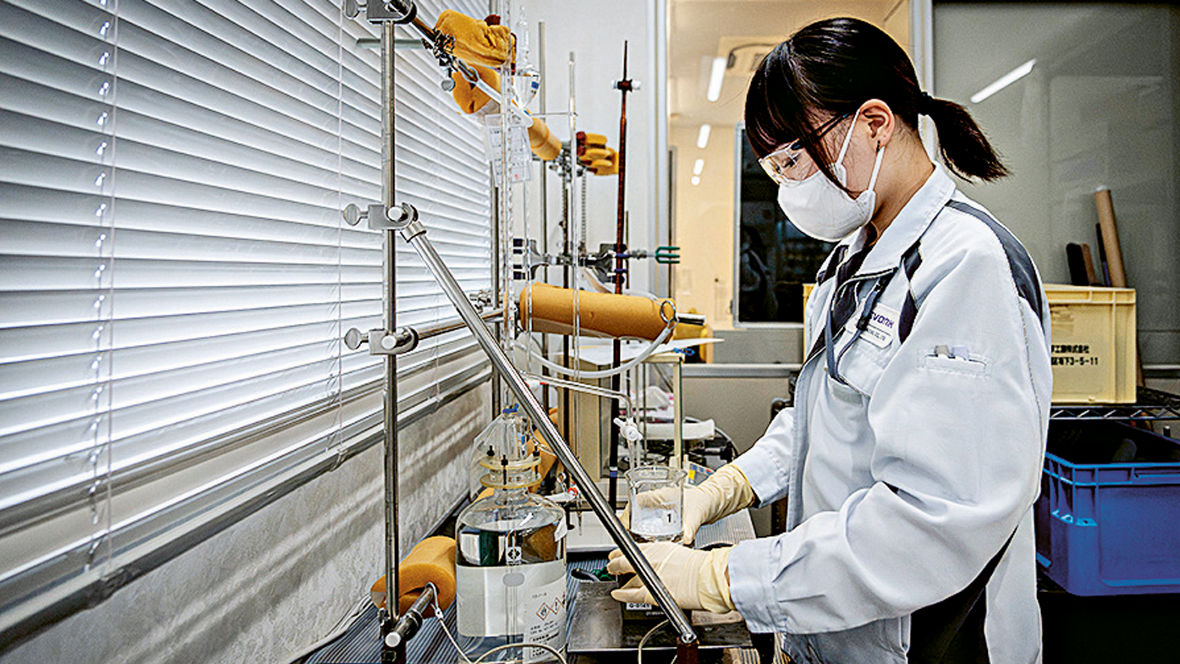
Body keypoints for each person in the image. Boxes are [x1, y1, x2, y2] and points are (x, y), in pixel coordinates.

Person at [609, 17, 1051, 663]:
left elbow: (931, 521)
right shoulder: (852, 260)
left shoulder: (966, 268)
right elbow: (821, 422)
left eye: (792, 159)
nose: (788, 186)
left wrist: (722, 578)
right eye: (774, 169)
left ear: (874, 123)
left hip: (924, 645)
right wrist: (724, 488)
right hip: (835, 629)